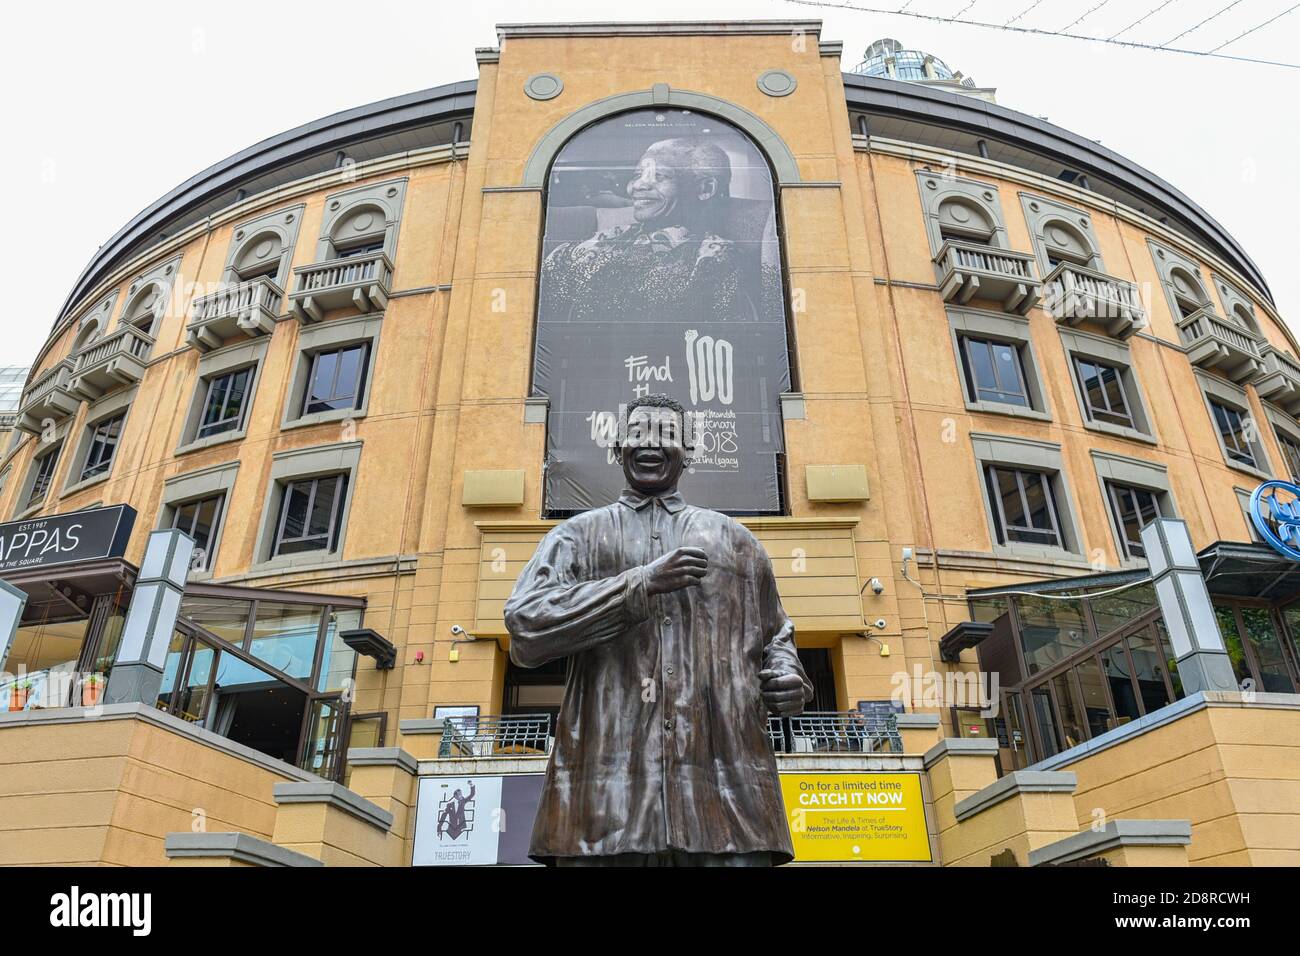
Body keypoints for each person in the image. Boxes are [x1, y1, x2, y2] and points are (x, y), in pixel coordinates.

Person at [505, 394, 813, 866]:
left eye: (666, 435)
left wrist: (789, 677)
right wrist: (639, 585)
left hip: (727, 801)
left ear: (687, 449)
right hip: (604, 804)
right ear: (618, 448)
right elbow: (526, 627)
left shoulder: (736, 542)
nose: (650, 445)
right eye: (638, 434)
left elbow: (777, 636)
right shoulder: (577, 536)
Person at [538, 138, 759, 322]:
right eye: (636, 176)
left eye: (659, 176)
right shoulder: (613, 235)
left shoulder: (715, 257)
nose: (637, 186)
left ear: (705, 188)